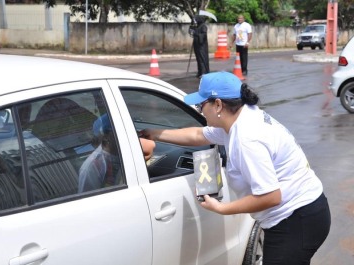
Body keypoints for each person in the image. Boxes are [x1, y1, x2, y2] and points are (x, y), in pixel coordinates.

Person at [141, 71, 331, 265]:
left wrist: (223, 208)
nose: (199, 111)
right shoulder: (239, 119)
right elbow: (199, 135)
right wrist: (154, 134)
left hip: (296, 220)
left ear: (218, 105)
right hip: (306, 213)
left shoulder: (247, 138)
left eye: (200, 105)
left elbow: (271, 196)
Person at [79, 114, 156, 192]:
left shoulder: (128, 151)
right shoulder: (93, 166)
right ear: (105, 137)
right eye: (120, 131)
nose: (127, 134)